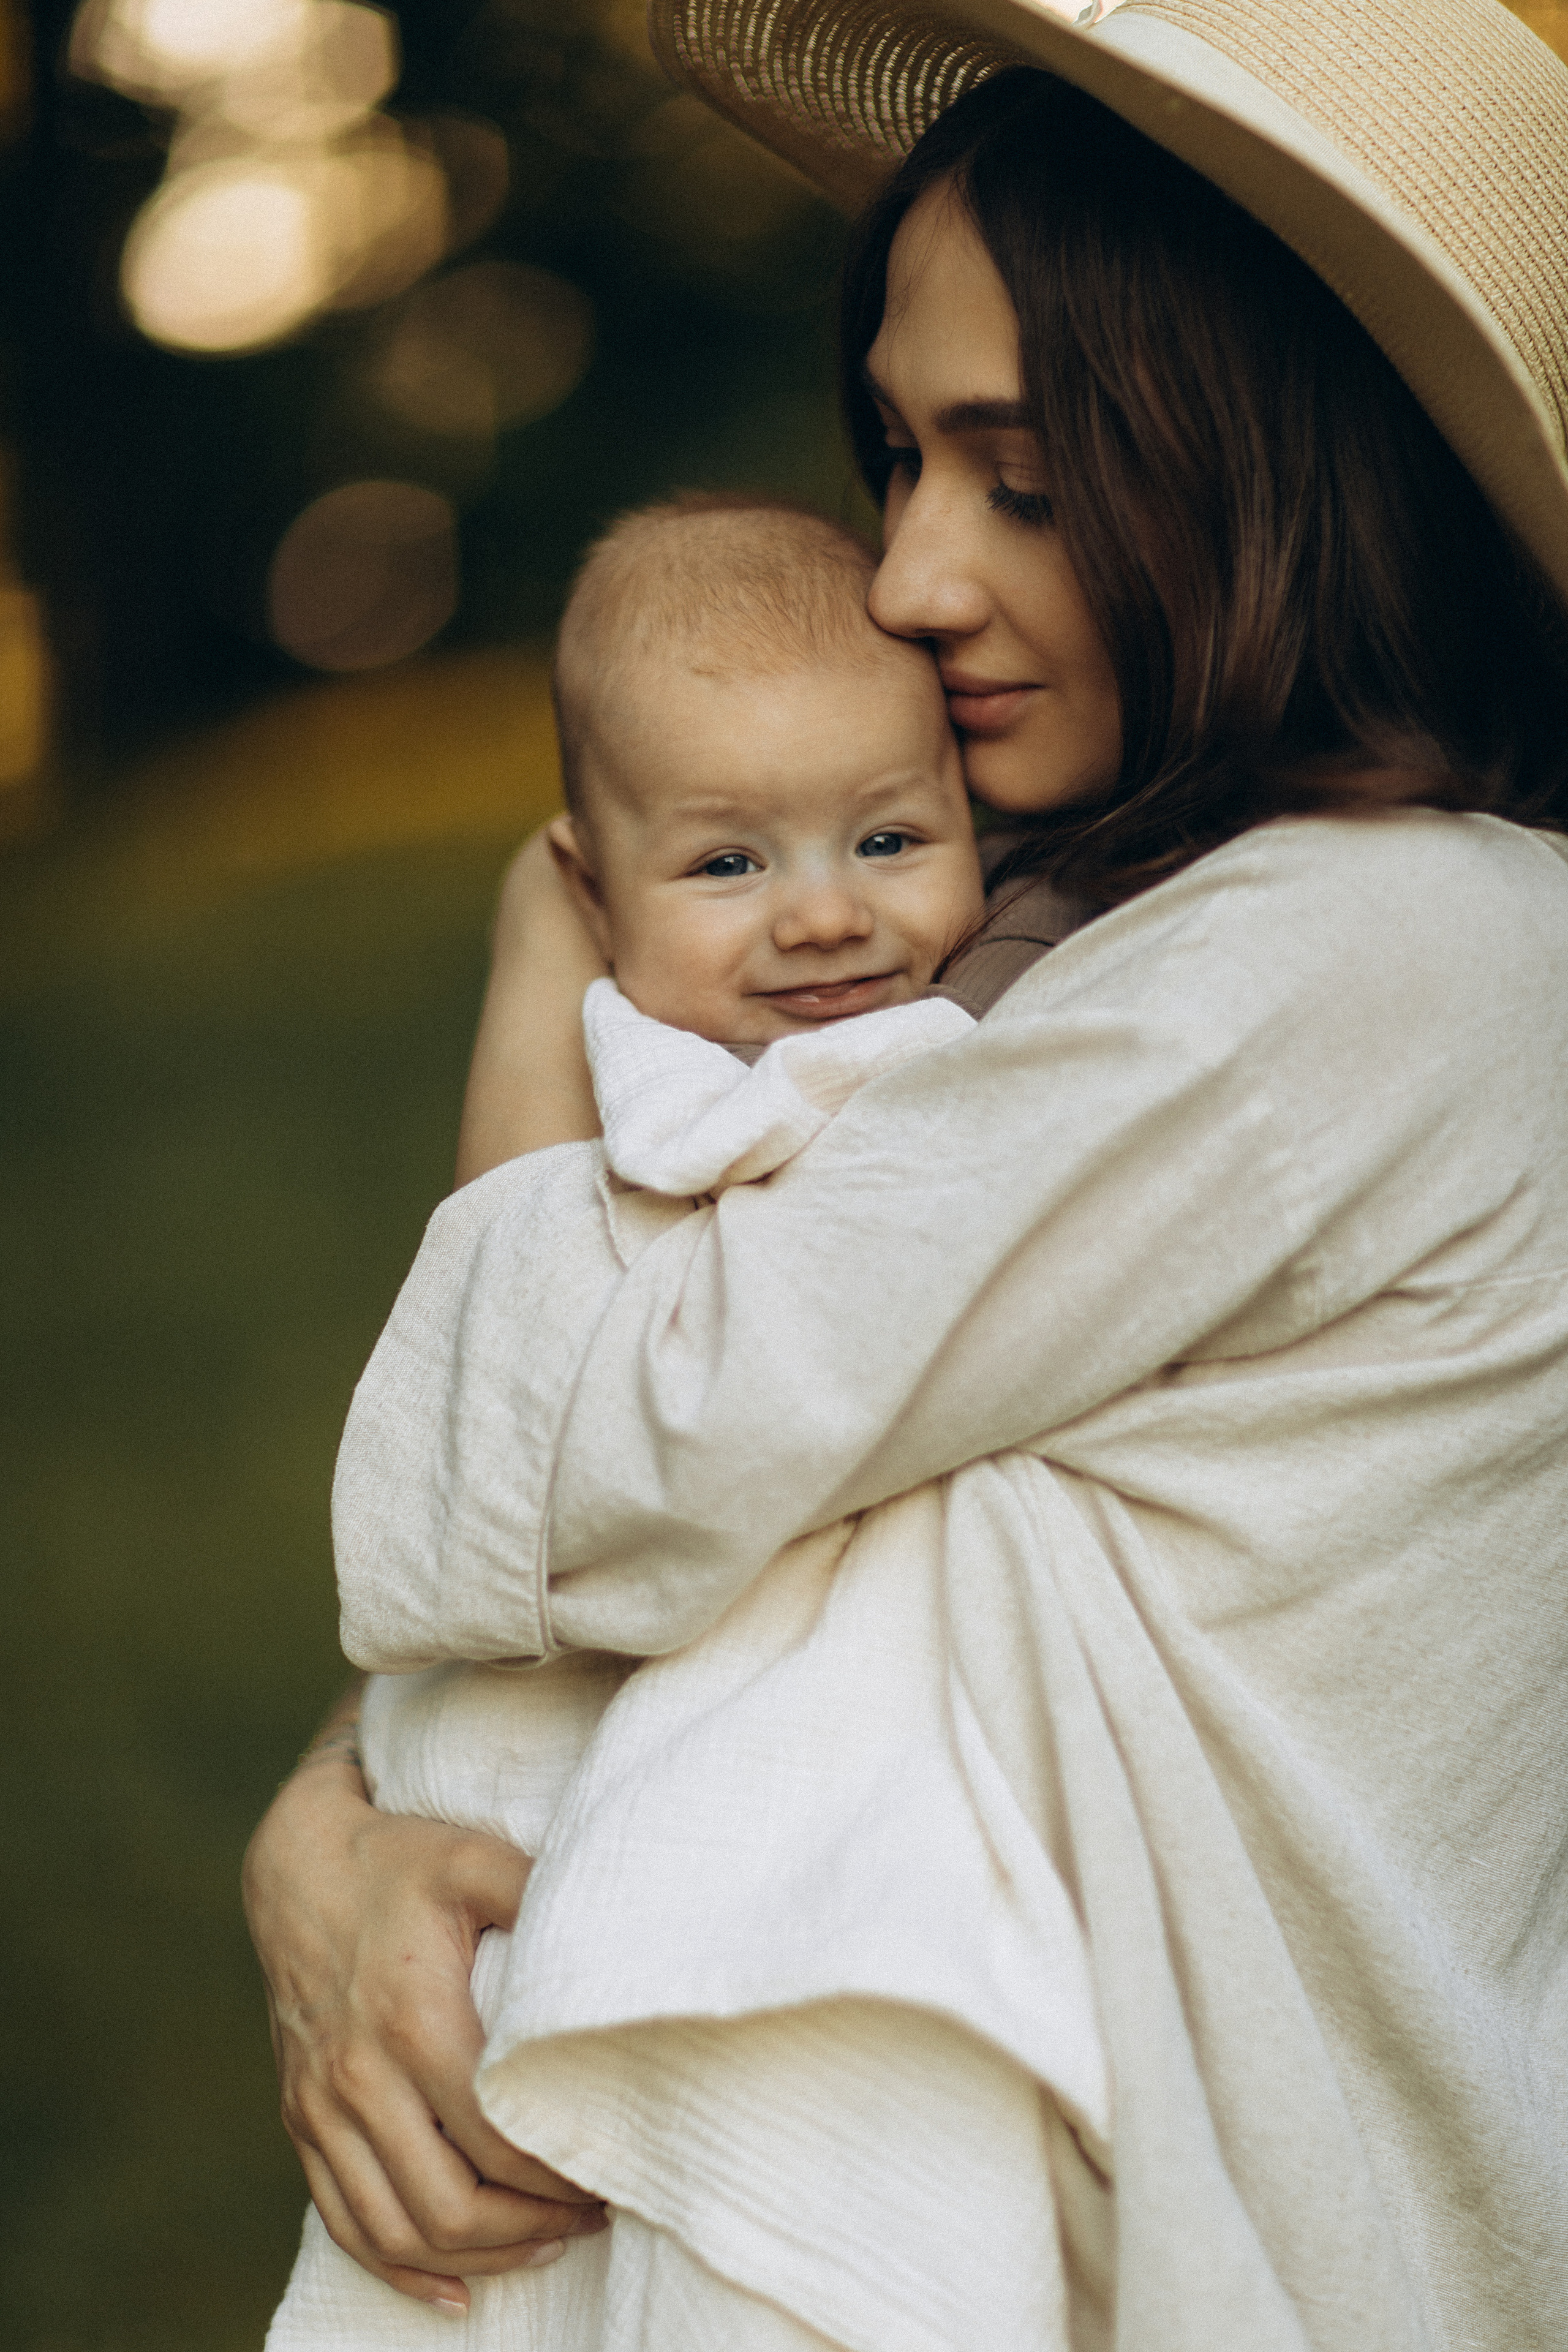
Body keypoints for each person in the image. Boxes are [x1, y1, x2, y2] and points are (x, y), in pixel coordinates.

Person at [243, 2, 1568, 2344]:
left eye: (1026, 481)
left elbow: (625, 1467)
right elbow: (824, 1502)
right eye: (899, 456)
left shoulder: (1357, 957)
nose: (915, 580)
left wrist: (548, 939)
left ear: (1290, 468)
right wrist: (339, 1819)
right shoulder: (1083, 942)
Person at [265, 492, 1015, 2346]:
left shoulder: (943, 1070)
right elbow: (513, 1314)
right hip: (541, 1791)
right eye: (727, 867)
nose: (831, 914)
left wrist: (553, 942)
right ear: (595, 883)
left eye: (894, 837)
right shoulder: (675, 1088)